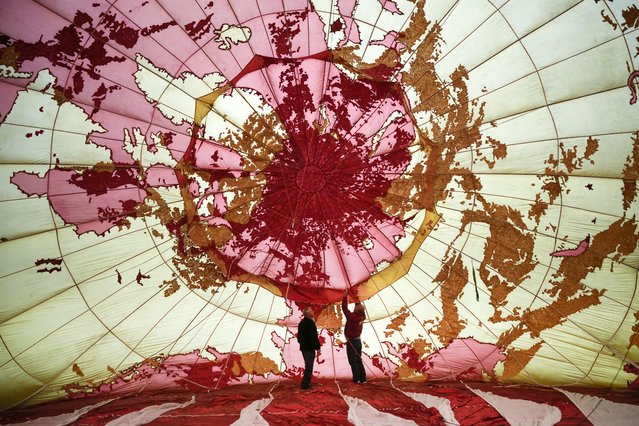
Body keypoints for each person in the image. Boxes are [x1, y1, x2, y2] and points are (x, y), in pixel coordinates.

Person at [342, 293, 366, 383]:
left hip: (352, 342)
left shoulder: (353, 318)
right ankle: (363, 378)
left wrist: (345, 297)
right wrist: (356, 297)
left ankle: (356, 379)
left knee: (353, 361)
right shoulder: (362, 316)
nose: (354, 308)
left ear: (356, 309)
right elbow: (358, 308)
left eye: (355, 307)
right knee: (359, 360)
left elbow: (344, 309)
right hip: (358, 341)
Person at [297, 306, 321, 389]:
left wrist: (303, 344)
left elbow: (299, 338)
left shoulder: (301, 323)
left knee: (308, 365)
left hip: (304, 348)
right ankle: (305, 384)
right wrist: (318, 347)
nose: (313, 311)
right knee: (309, 367)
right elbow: (313, 337)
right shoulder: (310, 324)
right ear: (308, 314)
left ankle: (306, 383)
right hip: (309, 349)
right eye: (311, 311)